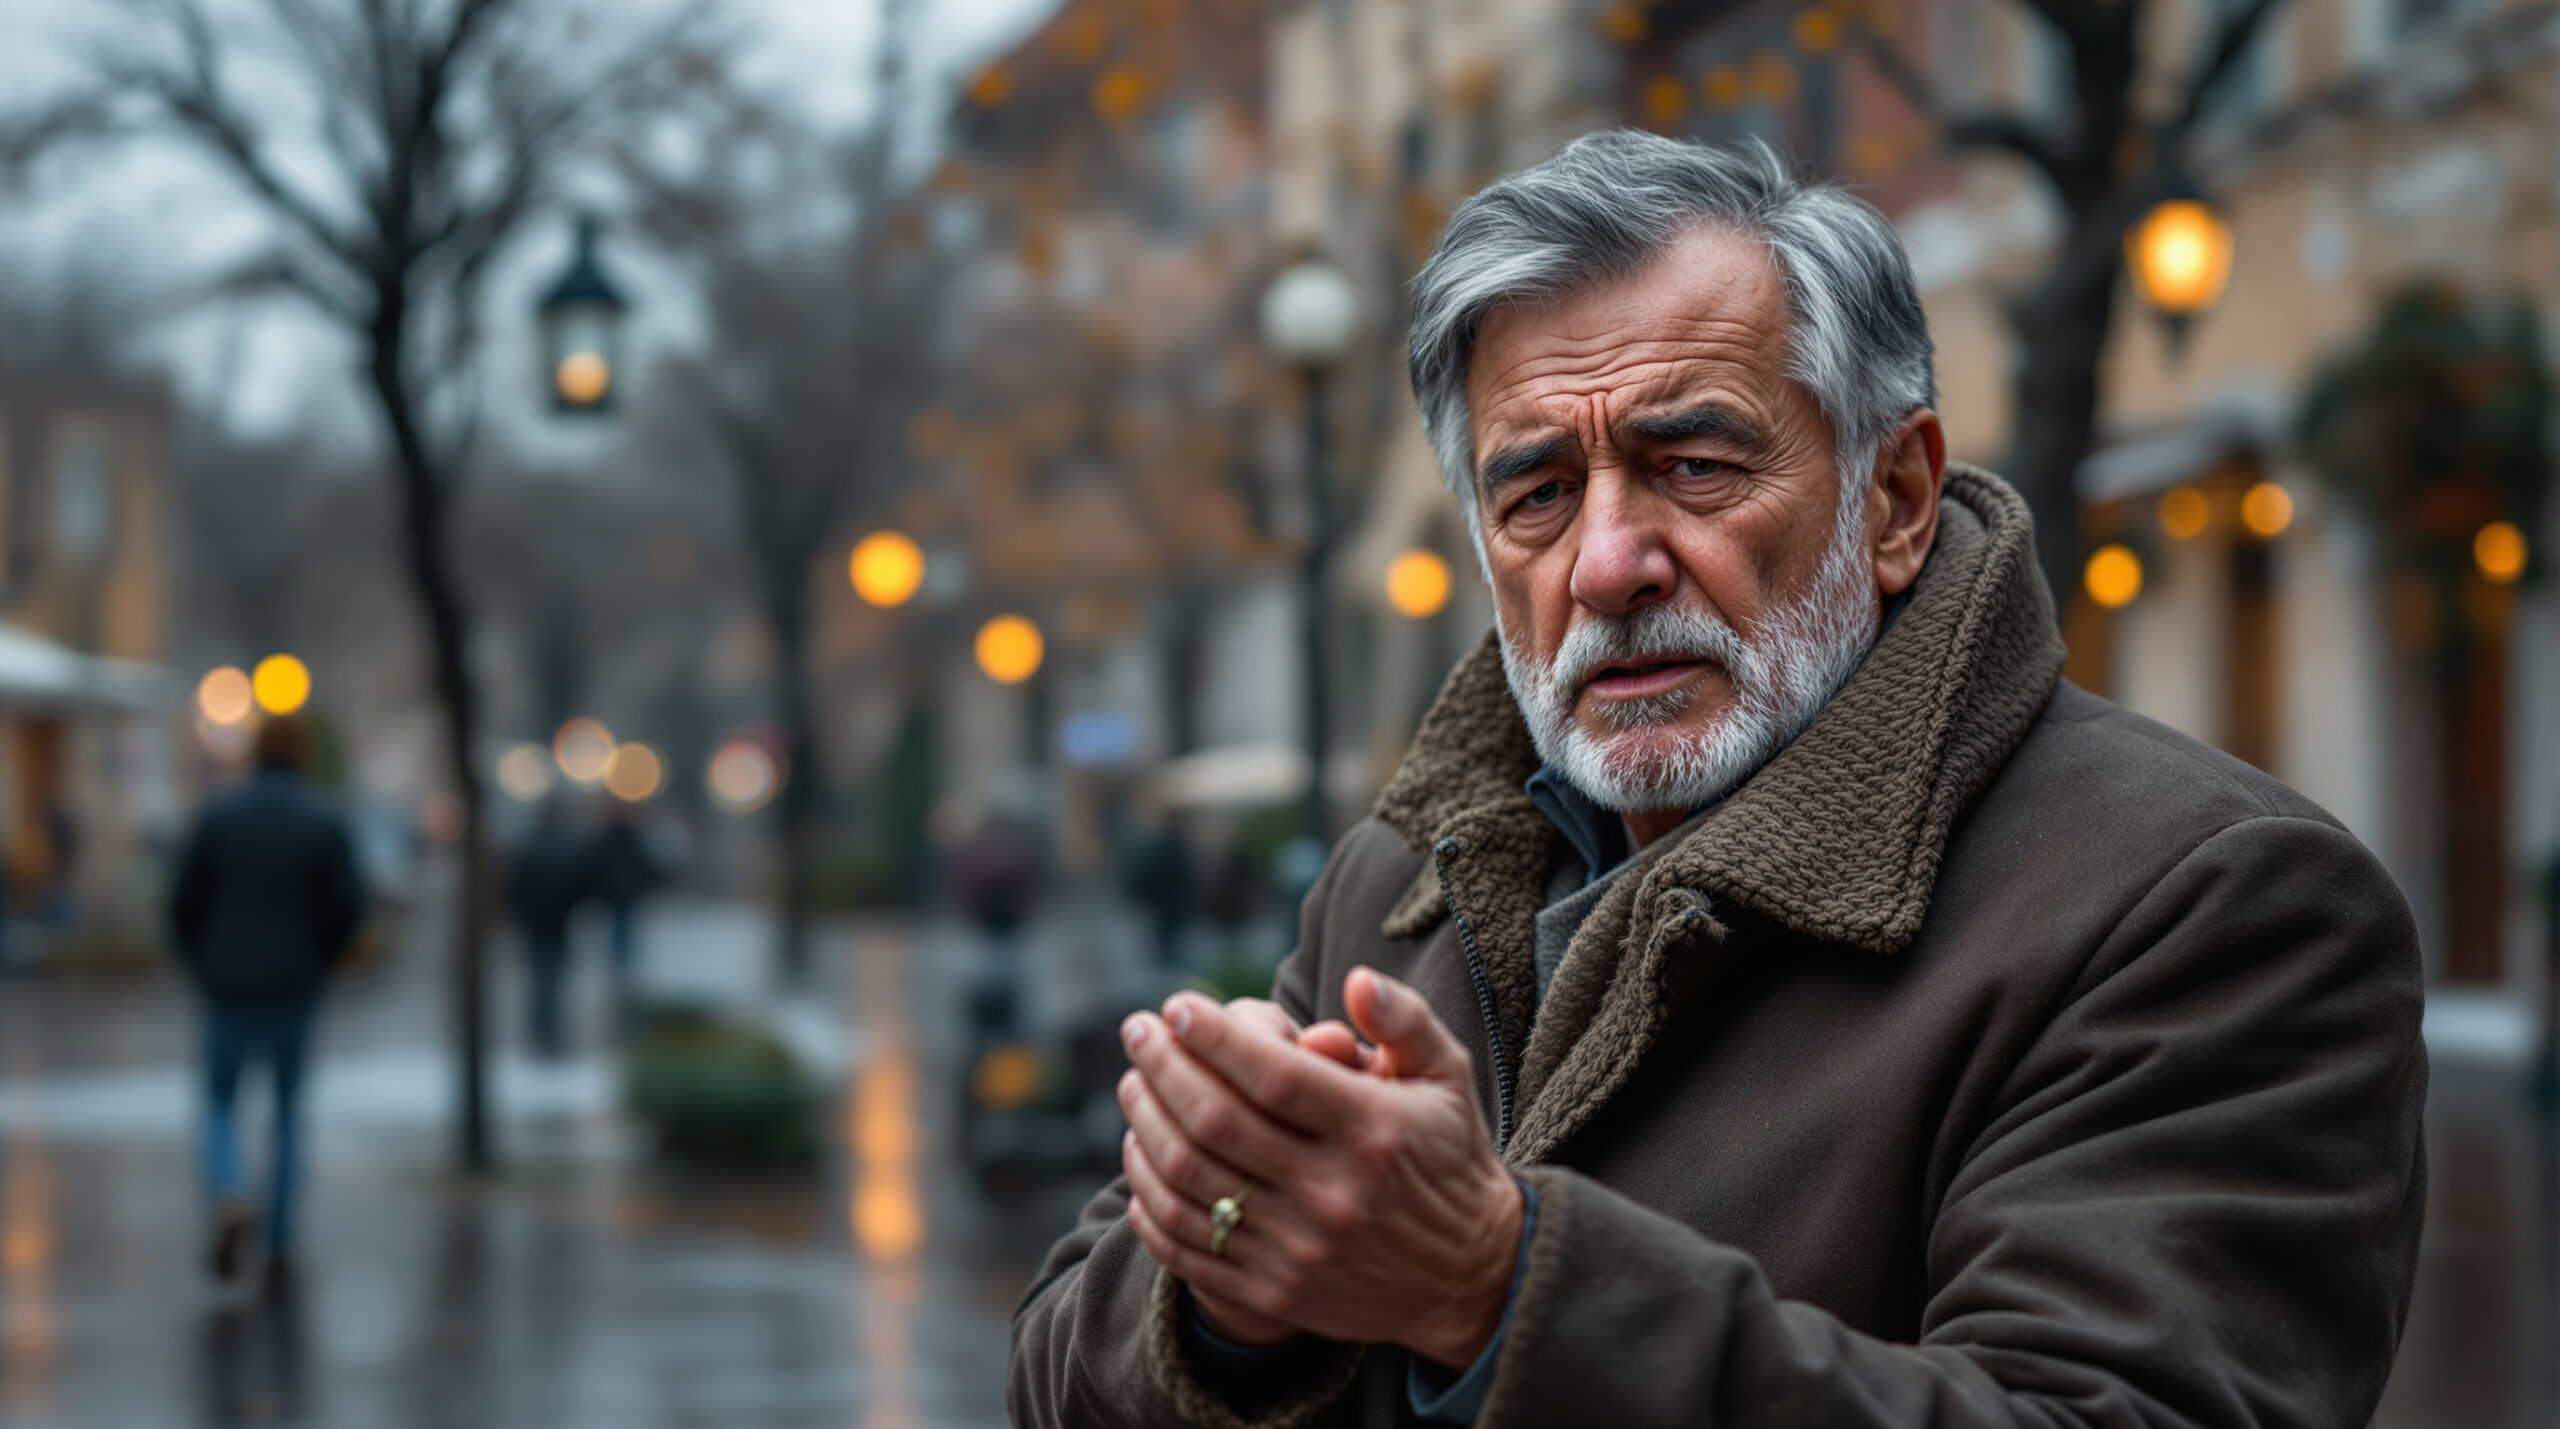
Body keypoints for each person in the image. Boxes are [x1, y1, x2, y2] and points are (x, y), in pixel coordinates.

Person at [1011, 133, 2427, 1428]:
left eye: (1692, 464)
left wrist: (1496, 1289)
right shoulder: (1406, 875)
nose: (1609, 564)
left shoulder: (2211, 899)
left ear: (1895, 499)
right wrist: (1228, 1298)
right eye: (1538, 494)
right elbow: (1055, 1377)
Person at [170, 713, 365, 1288]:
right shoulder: (322, 818)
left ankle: (228, 1190)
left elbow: (183, 902)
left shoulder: (220, 812)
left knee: (219, 1104)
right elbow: (348, 908)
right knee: (286, 1115)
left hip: (227, 985)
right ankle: (278, 1241)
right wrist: (319, 961)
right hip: (293, 987)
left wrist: (204, 963)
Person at [506, 803, 590, 1058]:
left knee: (539, 983)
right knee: (554, 983)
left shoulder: (529, 846)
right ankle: (551, 1035)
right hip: (558, 925)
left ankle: (538, 1033)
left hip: (536, 925)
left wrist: (520, 915)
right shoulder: (568, 848)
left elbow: (516, 886)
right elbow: (579, 885)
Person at [585, 803, 661, 1003]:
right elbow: (643, 863)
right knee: (624, 928)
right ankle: (623, 967)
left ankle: (619, 967)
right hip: (628, 893)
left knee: (618, 928)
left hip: (614, 893)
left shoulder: (607, 836)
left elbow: (596, 863)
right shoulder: (632, 837)